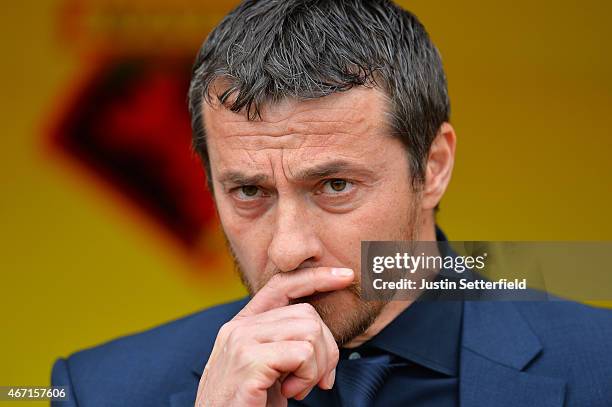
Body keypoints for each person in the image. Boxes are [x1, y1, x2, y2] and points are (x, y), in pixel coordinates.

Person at [51, 1, 612, 406]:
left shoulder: (600, 367)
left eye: (335, 186)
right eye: (249, 191)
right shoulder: (100, 390)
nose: (289, 248)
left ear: (433, 166)